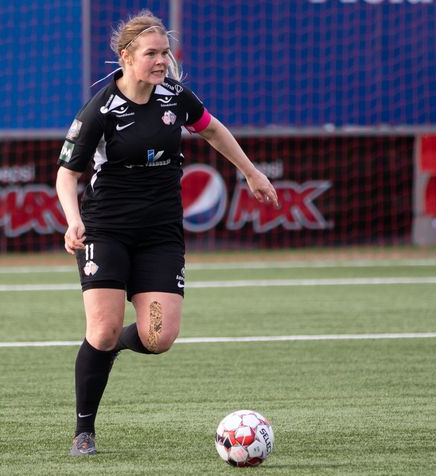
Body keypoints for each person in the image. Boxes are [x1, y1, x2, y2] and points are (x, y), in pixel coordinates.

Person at [55, 10, 279, 456]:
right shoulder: (101, 109)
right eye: (152, 54)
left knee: (159, 338)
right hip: (106, 230)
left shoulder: (175, 96)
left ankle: (113, 346)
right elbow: (67, 173)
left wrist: (251, 172)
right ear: (126, 56)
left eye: (165, 53)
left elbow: (212, 130)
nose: (162, 61)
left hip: (160, 233)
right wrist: (72, 219)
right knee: (101, 329)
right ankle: (84, 431)